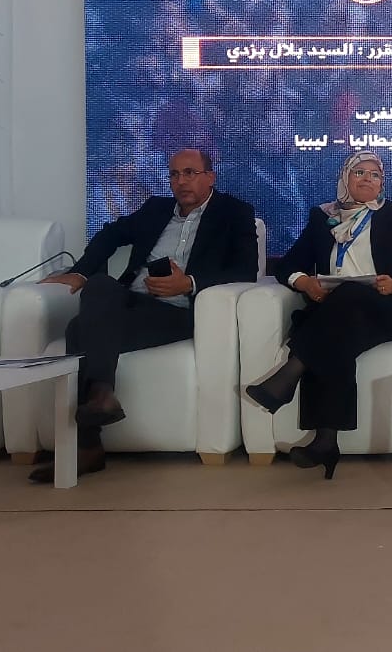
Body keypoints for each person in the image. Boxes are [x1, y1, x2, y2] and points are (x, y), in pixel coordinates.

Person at [29, 148, 258, 483]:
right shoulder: (155, 209)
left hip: (179, 311)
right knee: (100, 285)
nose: (181, 181)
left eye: (190, 173)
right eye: (175, 175)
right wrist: (79, 272)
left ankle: (88, 445)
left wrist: (189, 283)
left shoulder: (234, 212)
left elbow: (246, 270)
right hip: (131, 302)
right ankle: (102, 395)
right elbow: (110, 234)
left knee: (79, 330)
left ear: (210, 177)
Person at [242, 151, 392, 479]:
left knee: (341, 306)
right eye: (359, 172)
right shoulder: (323, 217)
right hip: (341, 312)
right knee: (336, 332)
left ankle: (291, 373)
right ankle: (325, 442)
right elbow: (289, 265)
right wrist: (304, 282)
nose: (367, 179)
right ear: (345, 178)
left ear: (382, 184)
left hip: (391, 308)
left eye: (375, 175)